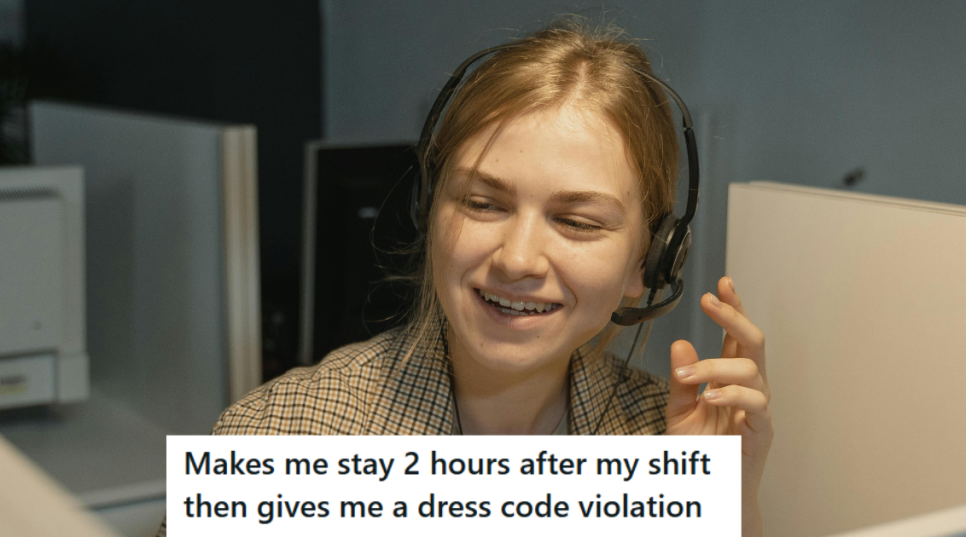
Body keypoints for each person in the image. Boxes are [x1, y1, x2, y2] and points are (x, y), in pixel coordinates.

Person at [156, 18, 772, 537]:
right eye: (483, 204)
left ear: (651, 261)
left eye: (577, 221)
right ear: (431, 214)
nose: (517, 259)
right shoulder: (284, 438)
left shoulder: (663, 442)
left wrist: (719, 504)